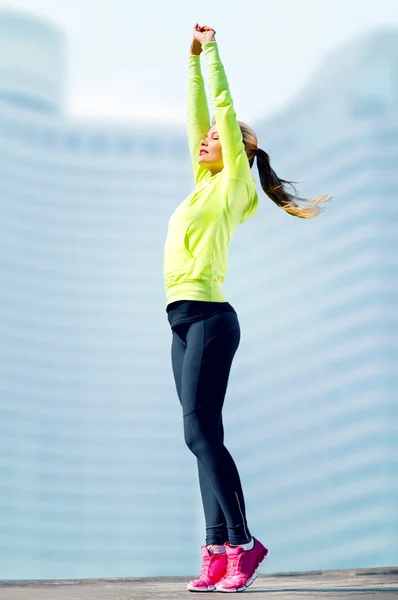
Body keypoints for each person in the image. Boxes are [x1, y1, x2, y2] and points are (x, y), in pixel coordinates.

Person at [163, 24, 332, 593]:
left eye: (220, 136)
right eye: (208, 138)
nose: (207, 138)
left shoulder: (234, 182)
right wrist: (188, 62)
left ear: (241, 149)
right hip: (180, 319)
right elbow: (195, 119)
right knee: (198, 433)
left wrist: (211, 52)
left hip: (211, 317)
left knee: (200, 431)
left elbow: (223, 107)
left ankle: (242, 542)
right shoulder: (200, 183)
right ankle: (214, 548)